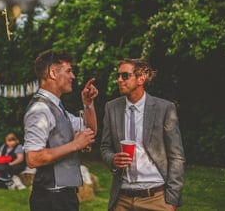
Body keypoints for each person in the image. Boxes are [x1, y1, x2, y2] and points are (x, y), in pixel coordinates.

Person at [100, 59, 184, 210]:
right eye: (118, 75)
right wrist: (113, 159)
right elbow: (105, 147)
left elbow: (176, 156)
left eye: (125, 75)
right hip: (122, 199)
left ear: (141, 79)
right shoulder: (111, 108)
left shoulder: (164, 108)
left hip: (156, 199)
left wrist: (172, 200)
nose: (119, 80)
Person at [23, 49, 98, 210]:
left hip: (64, 197)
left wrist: (88, 104)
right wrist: (75, 145)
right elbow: (33, 158)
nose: (73, 76)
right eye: (69, 71)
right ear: (53, 73)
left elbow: (90, 131)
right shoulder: (40, 109)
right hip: (51, 199)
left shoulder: (58, 107)